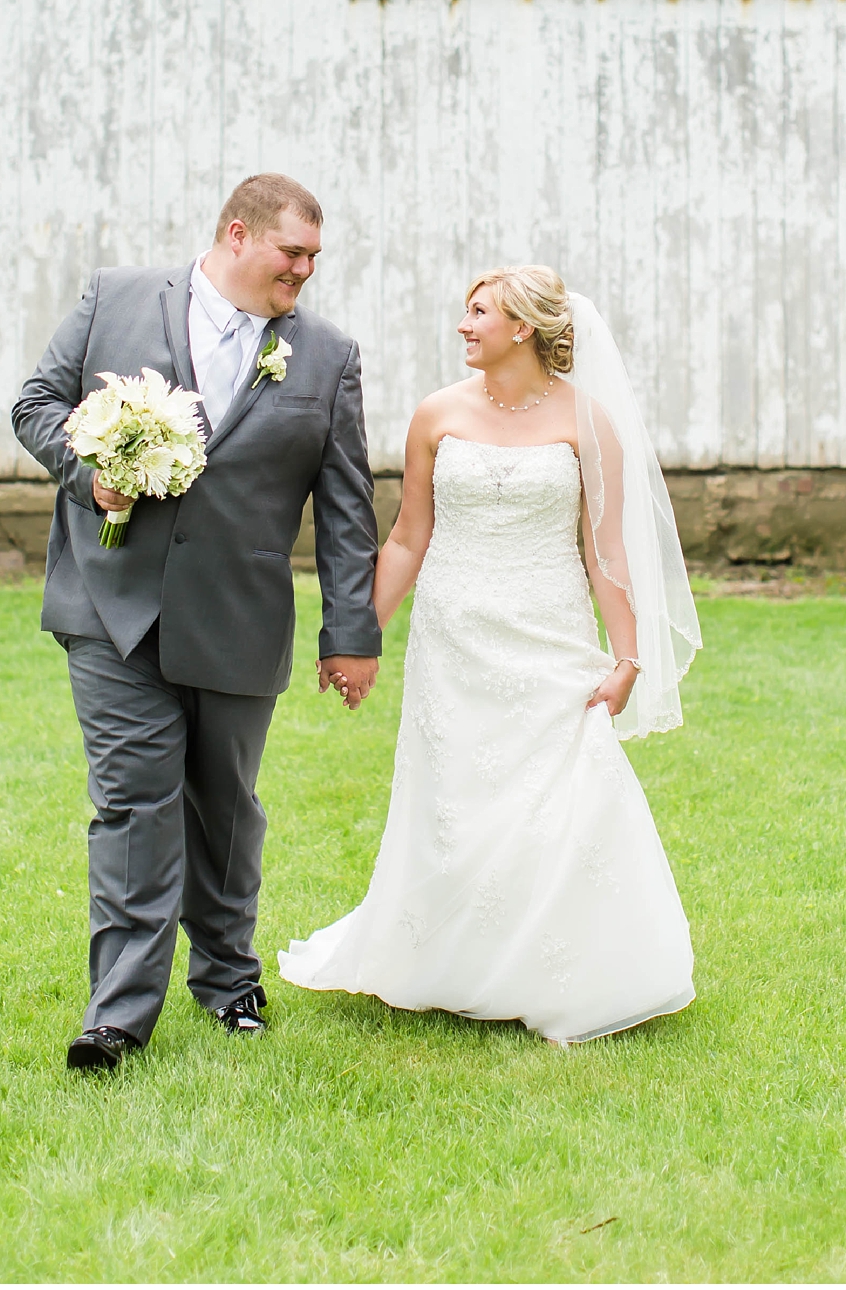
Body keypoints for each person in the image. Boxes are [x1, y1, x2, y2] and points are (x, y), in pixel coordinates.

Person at [12, 172, 383, 1073]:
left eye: (313, 258)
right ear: (236, 233)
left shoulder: (326, 356)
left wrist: (351, 635)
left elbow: (344, 509)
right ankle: (118, 1016)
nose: (304, 271)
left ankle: (228, 982)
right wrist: (90, 470)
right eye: (291, 253)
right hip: (114, 604)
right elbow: (36, 406)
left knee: (224, 811)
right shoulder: (117, 298)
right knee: (135, 801)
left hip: (239, 614)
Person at [278, 264, 698, 1043]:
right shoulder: (437, 414)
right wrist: (355, 635)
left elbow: (604, 551)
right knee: (456, 800)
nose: (464, 326)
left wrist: (628, 657)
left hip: (549, 633)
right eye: (465, 313)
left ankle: (554, 969)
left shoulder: (587, 421)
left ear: (524, 328)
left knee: (559, 798)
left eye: (479, 313)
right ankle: (452, 960)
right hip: (454, 639)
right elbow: (407, 536)